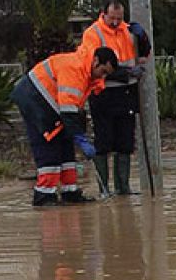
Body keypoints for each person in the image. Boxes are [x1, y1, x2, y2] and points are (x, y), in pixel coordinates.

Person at [11, 46, 118, 206]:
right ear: (95, 61)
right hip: (35, 101)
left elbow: (74, 108)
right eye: (103, 71)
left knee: (66, 146)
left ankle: (70, 192)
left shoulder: (88, 73)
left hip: (48, 102)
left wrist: (77, 134)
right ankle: (44, 196)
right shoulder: (75, 69)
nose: (103, 77)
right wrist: (80, 137)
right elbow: (68, 110)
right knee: (50, 145)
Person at [77, 0, 152, 196]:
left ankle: (123, 188)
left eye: (120, 18)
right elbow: (93, 66)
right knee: (104, 141)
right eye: (113, 18)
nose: (117, 22)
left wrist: (143, 37)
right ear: (104, 14)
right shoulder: (93, 34)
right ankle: (104, 189)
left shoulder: (128, 30)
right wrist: (127, 72)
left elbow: (144, 54)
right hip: (103, 93)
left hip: (126, 93)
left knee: (125, 142)